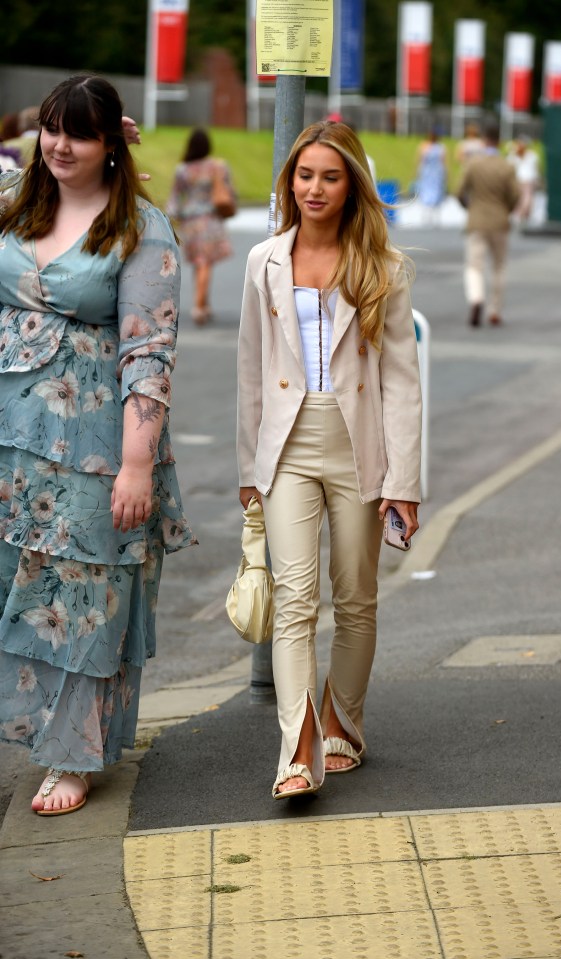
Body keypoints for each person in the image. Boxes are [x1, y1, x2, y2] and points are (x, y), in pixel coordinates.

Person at [0, 75, 197, 816]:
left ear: (110, 141)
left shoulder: (143, 229)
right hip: (9, 440)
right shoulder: (17, 199)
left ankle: (74, 755)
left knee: (84, 595)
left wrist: (136, 464)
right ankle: (34, 730)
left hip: (92, 447)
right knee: (18, 588)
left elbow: (150, 352)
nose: (60, 146)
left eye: (79, 133)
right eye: (51, 129)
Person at [236, 120, 422, 800]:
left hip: (359, 446)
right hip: (285, 447)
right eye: (303, 174)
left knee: (354, 596)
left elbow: (402, 380)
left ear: (351, 186)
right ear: (289, 181)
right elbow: (251, 370)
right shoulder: (264, 260)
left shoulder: (383, 267)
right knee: (293, 599)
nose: (313, 187)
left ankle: (345, 718)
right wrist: (246, 469)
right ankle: (297, 747)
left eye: (329, 176)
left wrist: (404, 481)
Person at [166, 128, 233, 325]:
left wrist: (171, 217)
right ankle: (199, 306)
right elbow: (228, 190)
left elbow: (175, 198)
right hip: (210, 220)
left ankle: (204, 303)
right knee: (205, 262)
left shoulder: (183, 169)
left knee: (199, 262)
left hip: (190, 222)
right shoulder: (218, 167)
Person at [456, 122, 520, 327]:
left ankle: (476, 298)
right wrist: (506, 210)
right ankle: (495, 310)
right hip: (500, 221)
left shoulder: (473, 164)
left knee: (474, 266)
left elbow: (459, 190)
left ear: (484, 140)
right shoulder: (507, 167)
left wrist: (468, 207)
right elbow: (516, 195)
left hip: (477, 220)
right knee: (499, 267)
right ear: (499, 141)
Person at [415, 130, 448, 225]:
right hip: (436, 172)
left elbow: (420, 160)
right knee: (435, 191)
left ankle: (427, 213)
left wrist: (417, 172)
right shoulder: (440, 147)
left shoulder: (425, 146)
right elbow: (443, 162)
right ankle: (434, 213)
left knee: (427, 190)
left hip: (428, 172)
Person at [507, 134, 540, 225]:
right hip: (522, 179)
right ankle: (520, 214)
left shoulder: (531, 155)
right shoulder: (515, 155)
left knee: (525, 198)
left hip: (526, 179)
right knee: (524, 198)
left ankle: (522, 214)